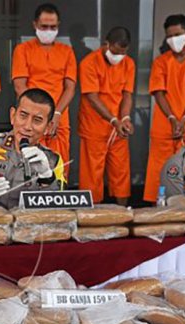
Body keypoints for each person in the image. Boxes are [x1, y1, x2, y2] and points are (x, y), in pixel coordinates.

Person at [144, 14, 185, 202]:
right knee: (159, 168)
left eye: (177, 34)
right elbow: (158, 93)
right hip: (164, 124)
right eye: (169, 36)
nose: (173, 40)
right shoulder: (160, 62)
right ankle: (156, 206)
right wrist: (172, 118)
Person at [12, 3, 76, 170]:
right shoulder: (22, 50)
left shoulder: (67, 51)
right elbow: (20, 86)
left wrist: (56, 114)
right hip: (31, 119)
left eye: (53, 27)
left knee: (59, 166)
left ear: (58, 26)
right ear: (35, 25)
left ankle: (57, 196)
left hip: (58, 118)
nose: (48, 30)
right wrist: (38, 116)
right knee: (28, 165)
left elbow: (70, 88)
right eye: (44, 26)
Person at [77, 26, 135, 205]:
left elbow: (127, 94)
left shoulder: (129, 64)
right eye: (116, 51)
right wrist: (113, 120)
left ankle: (123, 216)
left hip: (118, 129)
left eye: (123, 53)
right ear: (106, 44)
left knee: (121, 171)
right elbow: (92, 97)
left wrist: (125, 118)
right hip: (93, 127)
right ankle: (91, 217)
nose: (118, 57)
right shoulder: (89, 63)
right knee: (92, 175)